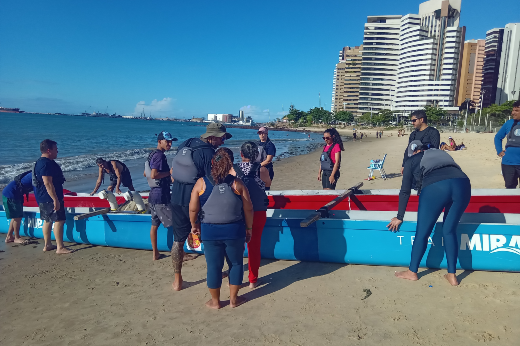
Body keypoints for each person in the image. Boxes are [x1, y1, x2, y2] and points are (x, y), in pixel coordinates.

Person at [387, 140, 471, 286]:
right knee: (450, 231)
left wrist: (400, 216)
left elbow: (405, 191)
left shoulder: (411, 160)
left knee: (422, 232)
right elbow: (450, 171)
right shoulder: (440, 152)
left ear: (414, 152)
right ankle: (452, 275)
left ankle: (412, 272)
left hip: (436, 187)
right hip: (463, 183)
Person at [169, 122, 232, 291]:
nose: (223, 142)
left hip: (175, 197)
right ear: (212, 137)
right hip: (194, 200)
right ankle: (218, 272)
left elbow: (174, 170)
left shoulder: (187, 143)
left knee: (178, 240)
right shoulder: (208, 153)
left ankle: (177, 280)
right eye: (222, 138)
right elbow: (212, 180)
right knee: (212, 238)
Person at [189, 148, 254, 309]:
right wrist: (249, 227)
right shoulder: (237, 183)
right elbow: (248, 208)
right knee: (236, 264)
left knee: (213, 266)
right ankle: (233, 300)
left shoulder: (201, 182)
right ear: (230, 164)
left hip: (210, 231)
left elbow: (192, 209)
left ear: (212, 163)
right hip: (234, 230)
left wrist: (194, 225)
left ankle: (216, 302)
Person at [231, 141, 271, 288]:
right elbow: (267, 183)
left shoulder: (233, 170)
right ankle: (253, 280)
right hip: (258, 212)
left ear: (241, 154)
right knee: (254, 247)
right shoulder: (262, 170)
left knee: (236, 247)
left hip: (238, 213)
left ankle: (236, 279)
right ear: (256, 155)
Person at [32, 139, 72, 254]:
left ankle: (47, 245)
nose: (57, 151)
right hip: (50, 197)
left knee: (47, 220)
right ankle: (60, 247)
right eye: (55, 149)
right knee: (59, 220)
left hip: (43, 197)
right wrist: (55, 199)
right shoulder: (46, 163)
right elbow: (47, 183)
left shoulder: (40, 162)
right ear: (49, 150)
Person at [144, 131, 177, 260]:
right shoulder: (160, 156)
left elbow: (145, 174)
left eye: (171, 141)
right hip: (161, 196)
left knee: (154, 225)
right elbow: (153, 175)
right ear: (159, 141)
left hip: (152, 195)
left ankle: (155, 253)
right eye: (167, 141)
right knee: (176, 225)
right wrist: (169, 173)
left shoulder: (151, 155)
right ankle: (181, 254)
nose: (170, 144)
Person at [401, 110, 440, 175]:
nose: (412, 123)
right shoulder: (413, 134)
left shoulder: (433, 132)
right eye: (411, 121)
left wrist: (422, 149)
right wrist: (404, 165)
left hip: (427, 166)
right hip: (412, 165)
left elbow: (435, 149)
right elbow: (408, 149)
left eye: (414, 120)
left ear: (421, 120)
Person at [2, 171, 33, 244]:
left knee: (15, 216)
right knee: (17, 217)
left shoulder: (34, 173)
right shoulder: (35, 176)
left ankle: (9, 237)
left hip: (12, 193)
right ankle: (17, 237)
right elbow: (37, 190)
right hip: (11, 194)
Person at [494, 100, 520, 188]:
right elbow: (498, 137)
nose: (513, 113)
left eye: (516, 111)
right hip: (508, 163)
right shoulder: (509, 123)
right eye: (513, 110)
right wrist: (499, 151)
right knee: (510, 188)